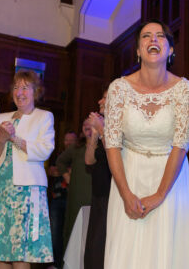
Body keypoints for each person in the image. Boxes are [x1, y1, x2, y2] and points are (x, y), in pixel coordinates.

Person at [103, 20, 189, 269]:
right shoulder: (119, 88)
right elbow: (112, 144)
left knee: (168, 255)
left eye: (160, 36)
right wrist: (126, 194)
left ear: (170, 50)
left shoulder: (185, 90)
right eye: (146, 36)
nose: (153, 40)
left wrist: (159, 194)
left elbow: (181, 144)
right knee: (126, 254)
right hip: (128, 176)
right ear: (138, 50)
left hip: (170, 178)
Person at [0, 70, 55, 268]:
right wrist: (1, 137)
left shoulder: (44, 117)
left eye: (25, 87)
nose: (19, 92)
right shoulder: (1, 118)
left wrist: (13, 138)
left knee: (20, 252)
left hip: (26, 192)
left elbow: (44, 151)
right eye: (16, 87)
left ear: (36, 91)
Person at [84, 89, 112, 269]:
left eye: (104, 97)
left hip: (112, 194)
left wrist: (102, 130)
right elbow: (89, 160)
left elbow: (115, 156)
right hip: (98, 194)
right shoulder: (102, 127)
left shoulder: (118, 126)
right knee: (94, 247)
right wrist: (94, 134)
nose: (99, 100)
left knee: (103, 245)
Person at [56, 120, 92, 249]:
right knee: (74, 229)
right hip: (76, 195)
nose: (87, 126)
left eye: (91, 123)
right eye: (84, 124)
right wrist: (68, 177)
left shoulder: (104, 146)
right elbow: (60, 162)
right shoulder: (77, 147)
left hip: (95, 195)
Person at [47, 131, 77, 269]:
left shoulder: (78, 155)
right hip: (57, 198)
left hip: (73, 199)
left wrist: (63, 170)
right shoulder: (58, 155)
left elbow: (77, 172)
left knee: (70, 232)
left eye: (71, 140)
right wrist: (66, 170)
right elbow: (51, 171)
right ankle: (55, 263)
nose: (68, 143)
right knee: (55, 232)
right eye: (66, 140)